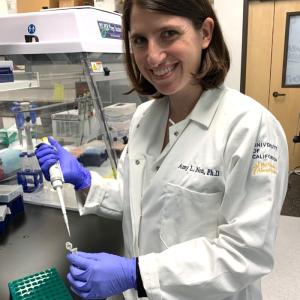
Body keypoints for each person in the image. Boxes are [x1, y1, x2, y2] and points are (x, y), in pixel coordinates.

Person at [35, 0, 289, 299]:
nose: (153, 57)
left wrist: (136, 273)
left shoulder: (251, 127)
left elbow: (245, 253)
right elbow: (147, 202)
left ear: (205, 33)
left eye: (168, 33)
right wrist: (88, 183)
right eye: (140, 40)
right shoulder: (145, 117)